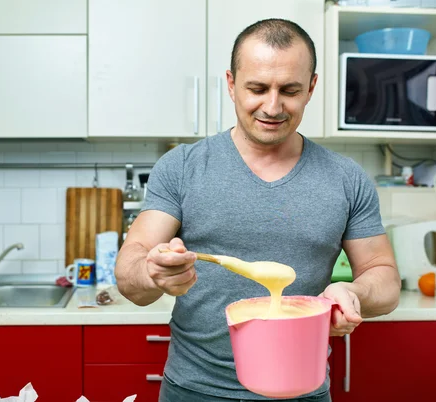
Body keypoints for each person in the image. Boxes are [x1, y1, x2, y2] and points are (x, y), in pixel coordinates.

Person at [115, 18, 401, 402]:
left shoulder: (346, 178)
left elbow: (384, 279)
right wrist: (153, 272)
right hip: (193, 390)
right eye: (257, 88)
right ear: (231, 84)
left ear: (312, 87)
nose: (273, 106)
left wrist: (353, 291)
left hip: (302, 390)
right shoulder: (182, 166)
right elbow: (129, 272)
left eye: (290, 90)